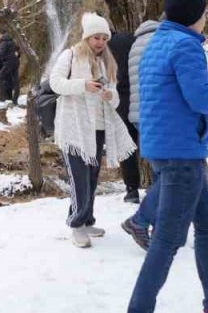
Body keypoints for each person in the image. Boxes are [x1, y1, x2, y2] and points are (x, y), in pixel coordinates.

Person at [127, 0, 208, 313]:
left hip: (163, 147)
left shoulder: (157, 43)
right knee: (167, 240)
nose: (206, 19)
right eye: (205, 14)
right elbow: (199, 101)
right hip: (182, 153)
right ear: (194, 17)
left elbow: (175, 94)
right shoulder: (186, 46)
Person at [50, 13, 136, 248]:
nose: (99, 42)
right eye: (95, 37)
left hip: (97, 127)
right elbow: (54, 83)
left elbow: (116, 97)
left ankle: (87, 219)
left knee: (92, 177)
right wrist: (83, 85)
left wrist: (110, 95)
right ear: (86, 37)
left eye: (103, 38)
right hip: (74, 127)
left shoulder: (106, 62)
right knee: (79, 178)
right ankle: (76, 224)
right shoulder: (70, 55)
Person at [120, 18, 161, 236]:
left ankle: (134, 194)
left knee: (161, 169)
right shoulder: (159, 41)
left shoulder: (136, 43)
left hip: (138, 112)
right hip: (157, 114)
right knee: (165, 173)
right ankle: (144, 221)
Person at [108, 29, 141, 203]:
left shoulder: (104, 47)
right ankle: (158, 183)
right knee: (147, 141)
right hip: (140, 95)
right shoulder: (132, 38)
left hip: (120, 99)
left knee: (126, 146)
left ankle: (132, 189)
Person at [0, 32, 21, 104]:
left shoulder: (7, 42)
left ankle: (8, 98)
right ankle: (5, 98)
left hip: (8, 63)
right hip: (1, 65)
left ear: (1, 35)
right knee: (4, 81)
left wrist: (18, 53)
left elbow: (17, 50)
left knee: (9, 81)